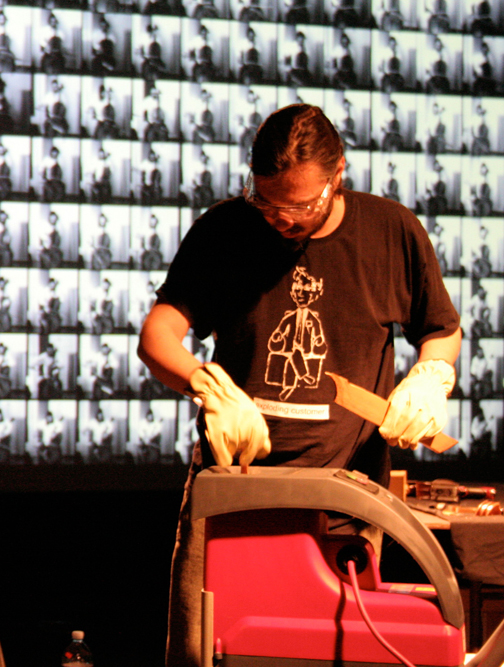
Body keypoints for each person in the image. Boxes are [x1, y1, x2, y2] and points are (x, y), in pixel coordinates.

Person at [137, 104, 461, 667]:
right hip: (234, 493)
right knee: (210, 650)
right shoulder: (225, 229)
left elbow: (441, 331)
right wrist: (204, 381)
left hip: (348, 498)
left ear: (339, 178)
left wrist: (431, 378)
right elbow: (158, 334)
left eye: (300, 207)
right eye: (266, 201)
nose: (281, 219)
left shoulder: (392, 230)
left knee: (330, 651)